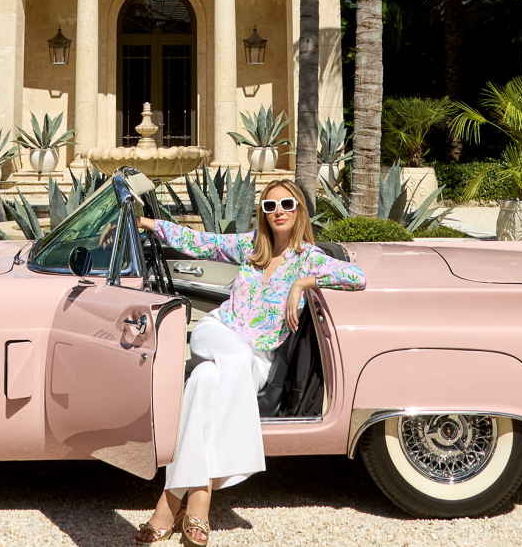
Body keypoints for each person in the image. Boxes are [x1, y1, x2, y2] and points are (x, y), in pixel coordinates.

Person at [131, 179, 366, 546]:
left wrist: (301, 283)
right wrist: (148, 224)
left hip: (258, 360)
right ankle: (202, 497)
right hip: (218, 333)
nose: (278, 213)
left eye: (286, 204)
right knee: (231, 358)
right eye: (270, 207)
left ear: (299, 209)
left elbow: (357, 278)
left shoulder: (310, 257)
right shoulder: (251, 247)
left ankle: (172, 498)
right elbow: (201, 242)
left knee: (204, 381)